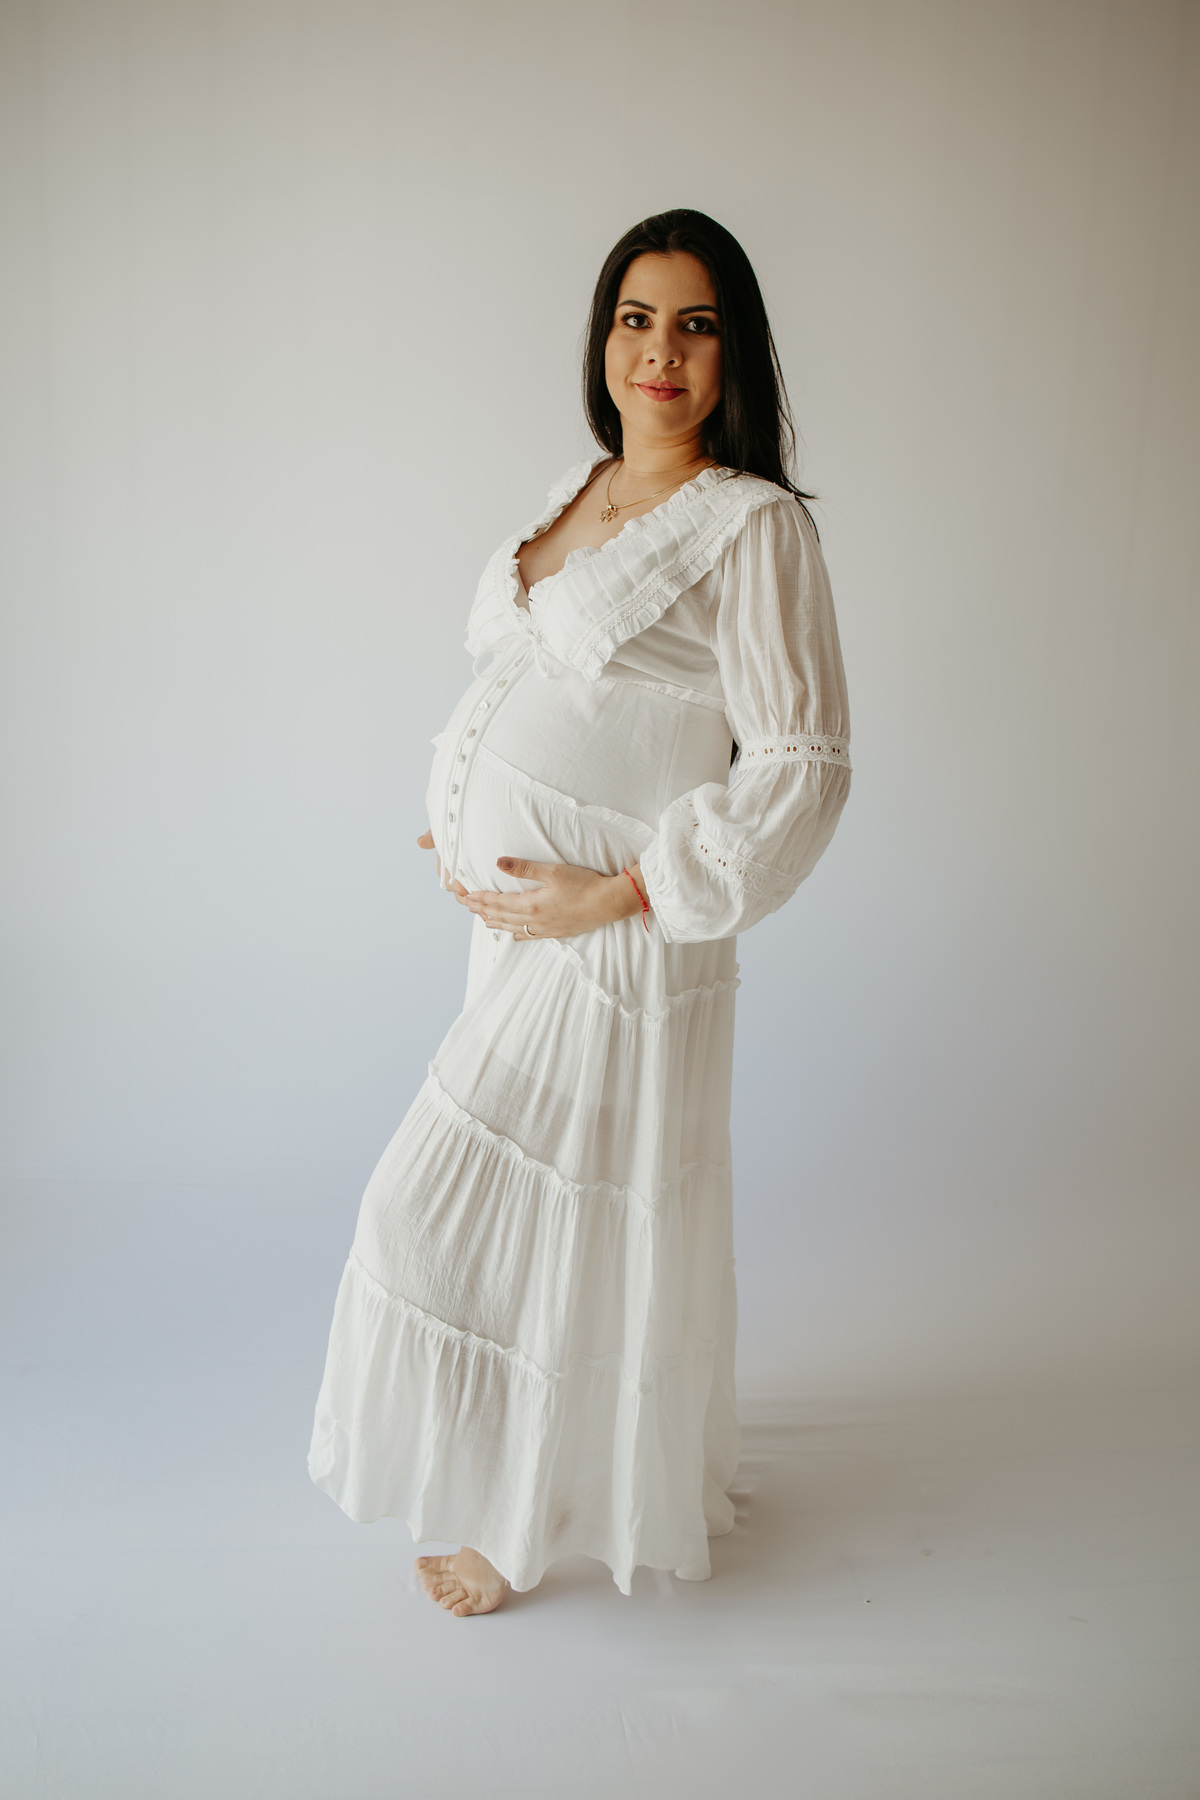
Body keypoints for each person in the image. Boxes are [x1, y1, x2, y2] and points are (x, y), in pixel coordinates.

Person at [308, 208, 851, 1616]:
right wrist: (466, 799)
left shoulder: (754, 525)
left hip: (618, 942)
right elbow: (553, 683)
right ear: (603, 339)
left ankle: (513, 1523)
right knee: (540, 1223)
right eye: (635, 318)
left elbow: (803, 764)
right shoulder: (584, 485)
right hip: (518, 932)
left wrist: (625, 887)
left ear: (736, 354)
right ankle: (531, 1485)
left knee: (446, 1213)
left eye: (695, 325)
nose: (659, 352)